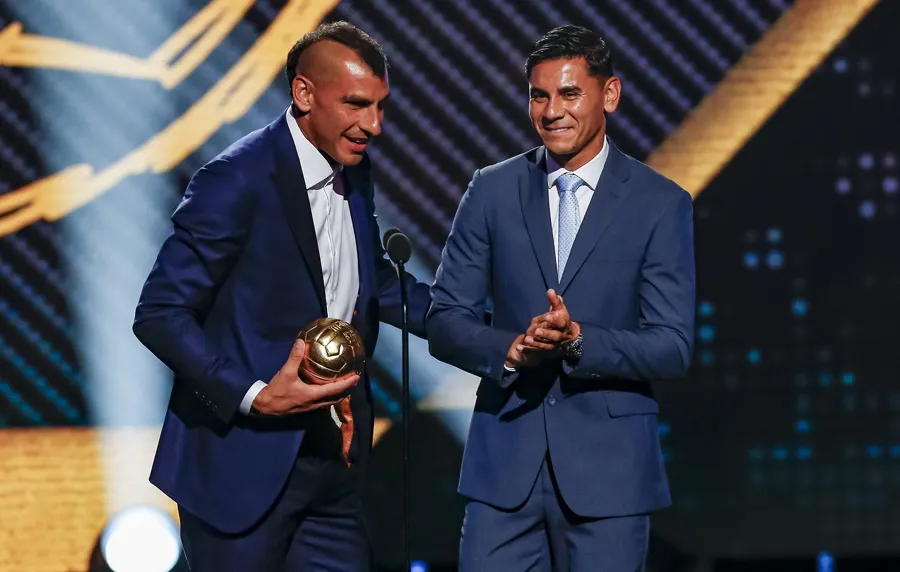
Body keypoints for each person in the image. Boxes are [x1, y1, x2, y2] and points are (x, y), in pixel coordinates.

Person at [132, 21, 430, 571]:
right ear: (304, 94)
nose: (375, 125)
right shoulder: (236, 179)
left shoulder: (352, 168)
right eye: (358, 105)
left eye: (380, 106)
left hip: (331, 466)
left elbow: (370, 284)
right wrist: (255, 394)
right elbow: (160, 313)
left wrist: (483, 324)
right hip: (239, 468)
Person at [427, 25, 695, 571]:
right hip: (504, 472)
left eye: (569, 94)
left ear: (609, 95)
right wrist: (513, 350)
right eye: (538, 95)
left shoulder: (661, 204)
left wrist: (579, 342)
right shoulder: (491, 190)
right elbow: (445, 319)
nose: (552, 111)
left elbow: (672, 345)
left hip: (610, 479)